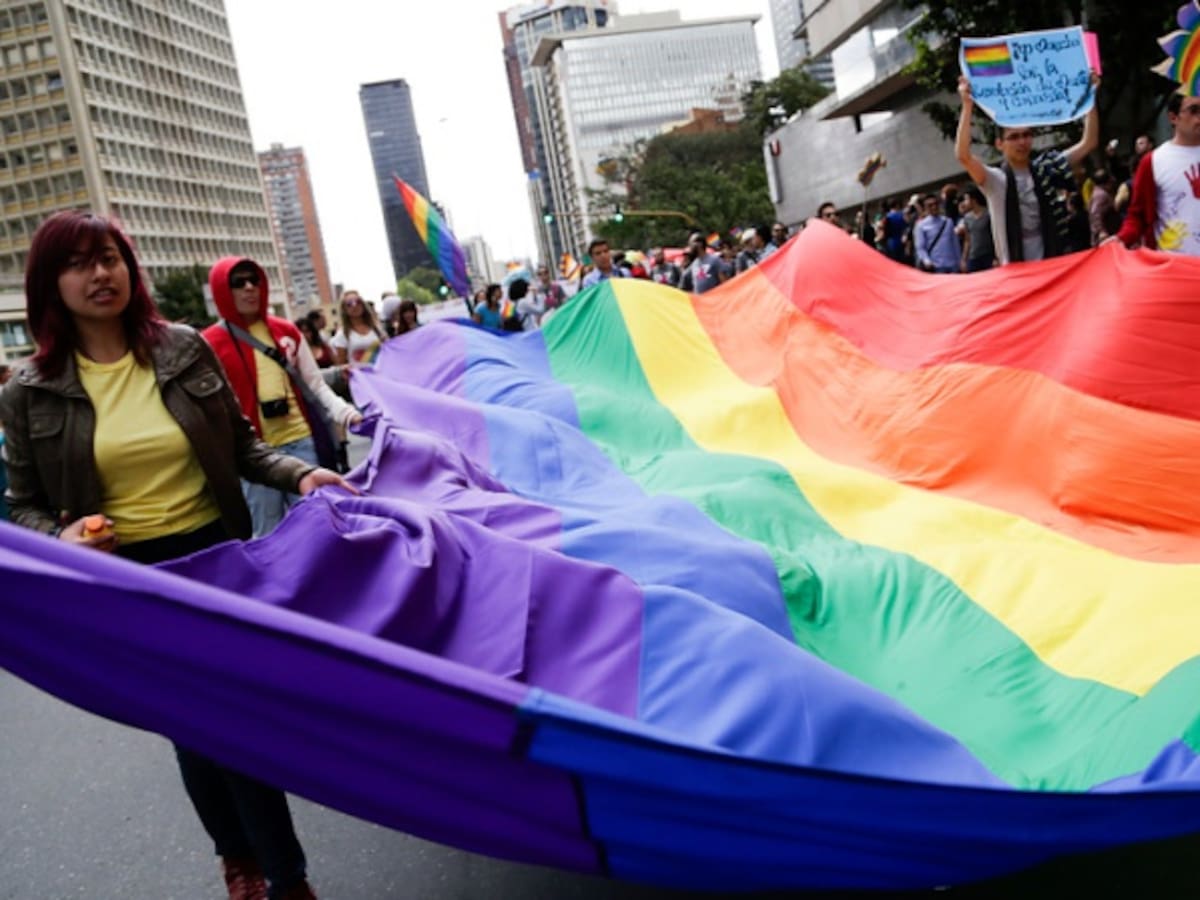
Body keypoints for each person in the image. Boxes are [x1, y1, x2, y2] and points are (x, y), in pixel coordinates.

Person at [0, 210, 353, 900]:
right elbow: (23, 505)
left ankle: (284, 877)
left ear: (130, 269)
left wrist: (302, 474)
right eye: (78, 263)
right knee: (190, 730)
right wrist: (60, 540)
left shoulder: (182, 348)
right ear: (50, 283)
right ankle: (240, 859)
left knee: (234, 720)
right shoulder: (27, 390)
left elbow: (245, 448)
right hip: (124, 576)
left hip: (214, 559)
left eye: (109, 258)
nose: (100, 274)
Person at [202, 257, 362, 537]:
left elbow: (315, 385)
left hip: (301, 443)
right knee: (268, 537)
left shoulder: (286, 331)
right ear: (222, 291)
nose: (250, 288)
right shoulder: (208, 344)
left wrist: (347, 414)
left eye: (254, 280)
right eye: (238, 282)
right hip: (254, 460)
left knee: (317, 530)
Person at [955, 72, 1100, 264]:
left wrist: (1091, 96)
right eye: (1014, 137)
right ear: (1000, 144)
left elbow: (1088, 143)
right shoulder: (995, 179)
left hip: (1052, 263)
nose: (1022, 142)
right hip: (1015, 271)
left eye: (1026, 135)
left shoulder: (1046, 168)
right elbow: (963, 156)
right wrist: (967, 105)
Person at [1114, 92, 1200, 255]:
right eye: (1193, 110)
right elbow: (1137, 215)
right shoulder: (1153, 161)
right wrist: (1121, 239)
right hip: (1174, 268)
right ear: (1173, 118)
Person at [329, 289, 385, 365]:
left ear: (363, 305)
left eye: (358, 302)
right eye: (349, 304)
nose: (354, 306)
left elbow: (387, 350)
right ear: (344, 309)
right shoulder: (342, 334)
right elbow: (342, 365)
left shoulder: (376, 328)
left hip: (381, 373)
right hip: (358, 376)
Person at [913, 194, 963, 273]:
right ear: (925, 208)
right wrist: (926, 260)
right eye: (930, 205)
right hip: (936, 266)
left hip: (953, 265)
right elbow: (920, 247)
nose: (934, 207)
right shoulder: (921, 226)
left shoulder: (948, 221)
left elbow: (955, 243)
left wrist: (960, 261)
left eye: (936, 204)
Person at [958, 186, 995, 271]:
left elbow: (994, 236)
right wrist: (964, 259)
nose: (965, 203)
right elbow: (967, 240)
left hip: (988, 255)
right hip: (973, 256)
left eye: (966, 199)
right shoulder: (967, 218)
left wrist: (996, 256)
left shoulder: (988, 214)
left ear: (973, 199)